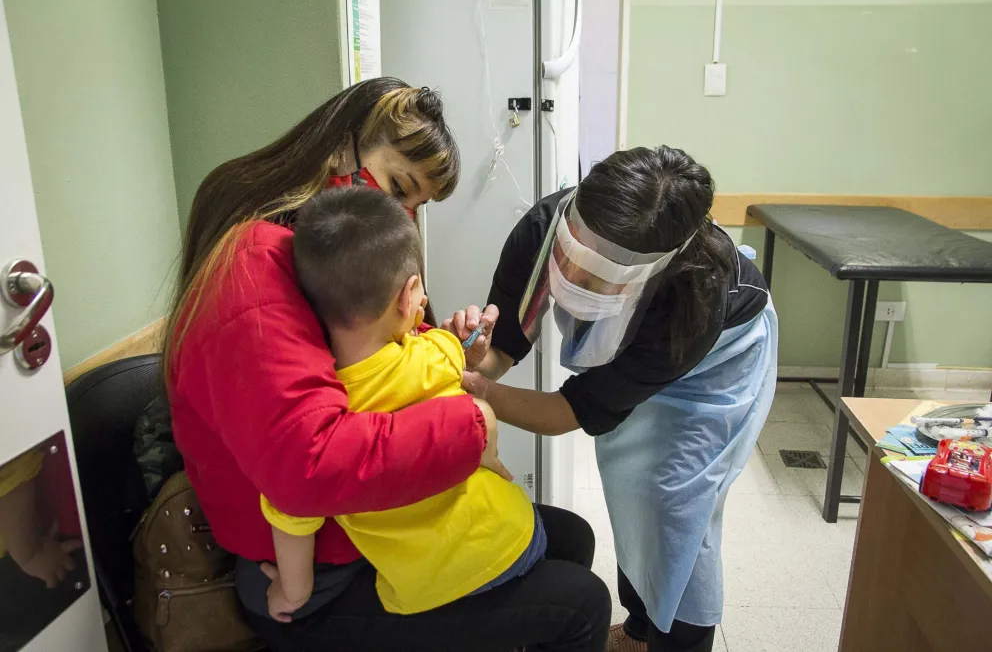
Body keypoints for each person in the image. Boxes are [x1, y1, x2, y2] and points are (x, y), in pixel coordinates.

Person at [166, 77, 610, 651]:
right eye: (398, 187)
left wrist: (451, 350)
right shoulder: (255, 267)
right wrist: (472, 425)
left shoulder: (320, 263)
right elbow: (310, 464)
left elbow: (381, 369)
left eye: (413, 206)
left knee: (569, 537)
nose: (399, 216)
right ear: (340, 147)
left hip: (360, 532)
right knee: (582, 604)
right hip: (314, 574)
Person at [450, 146, 778, 652]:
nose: (573, 280)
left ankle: (681, 642)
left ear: (650, 271)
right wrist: (475, 361)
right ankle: (642, 628)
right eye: (570, 255)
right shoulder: (541, 228)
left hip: (719, 358)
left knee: (676, 504)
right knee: (630, 488)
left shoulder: (693, 296)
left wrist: (477, 390)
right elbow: (506, 348)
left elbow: (569, 412)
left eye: (599, 276)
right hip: (649, 345)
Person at [260, 186, 546, 621]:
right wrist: (467, 351)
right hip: (511, 535)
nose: (425, 303)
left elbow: (292, 510)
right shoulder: (437, 352)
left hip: (425, 585)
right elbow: (465, 364)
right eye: (420, 294)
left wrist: (292, 593)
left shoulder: (315, 416)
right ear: (407, 295)